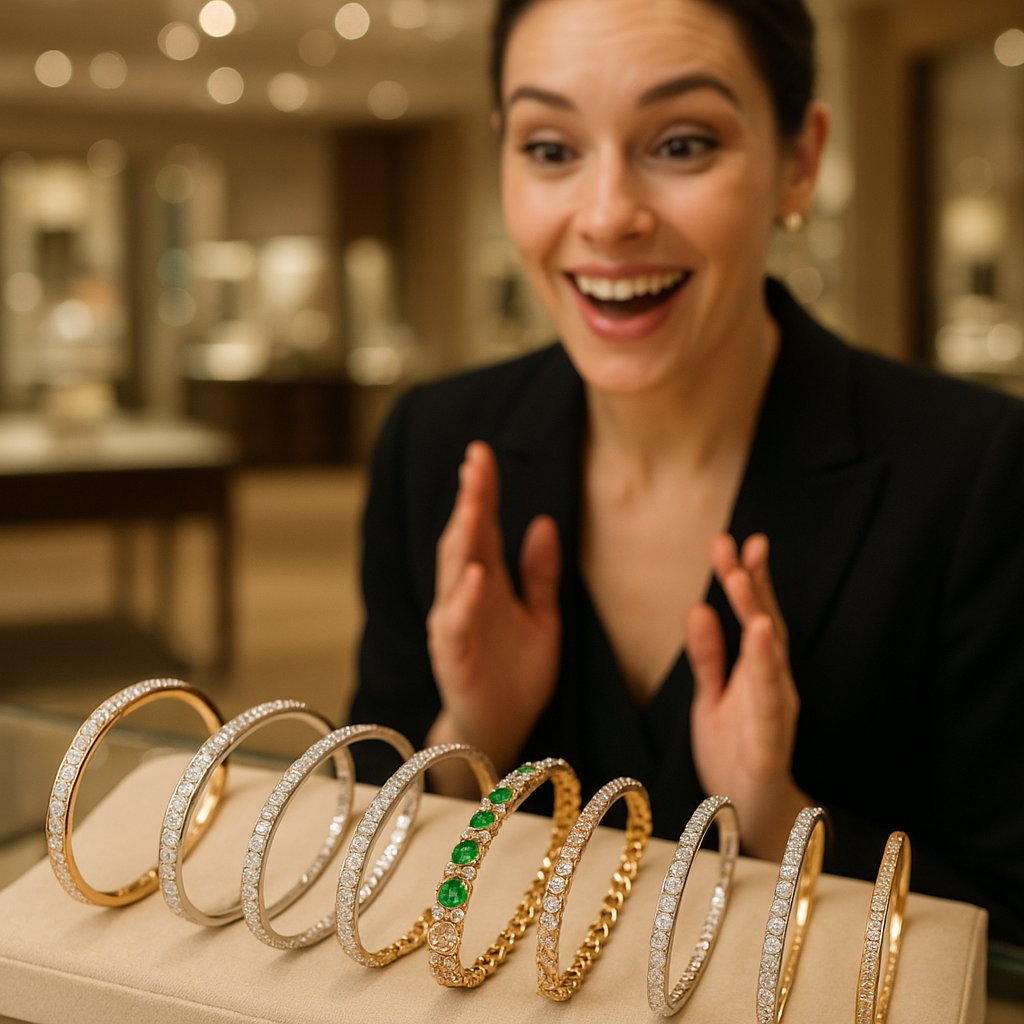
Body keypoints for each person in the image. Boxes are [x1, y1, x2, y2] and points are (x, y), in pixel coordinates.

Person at [349, 0, 1024, 945]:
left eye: (681, 143)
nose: (608, 215)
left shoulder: (973, 472)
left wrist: (778, 818)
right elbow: (376, 887)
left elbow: (1009, 931)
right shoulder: (437, 443)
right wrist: (467, 742)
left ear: (799, 161)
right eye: (551, 149)